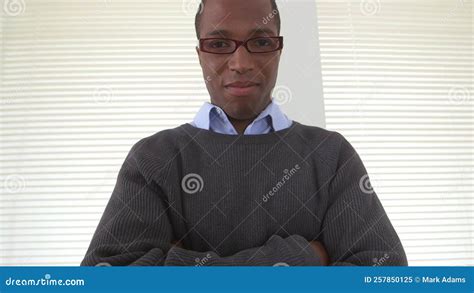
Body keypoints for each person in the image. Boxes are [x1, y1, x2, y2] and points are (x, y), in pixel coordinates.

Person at [81, 0, 408, 266]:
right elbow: (108, 280)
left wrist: (173, 261)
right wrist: (303, 256)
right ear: (200, 55)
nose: (240, 62)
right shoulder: (153, 157)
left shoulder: (331, 154)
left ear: (278, 51)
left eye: (261, 42)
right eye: (220, 44)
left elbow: (384, 275)